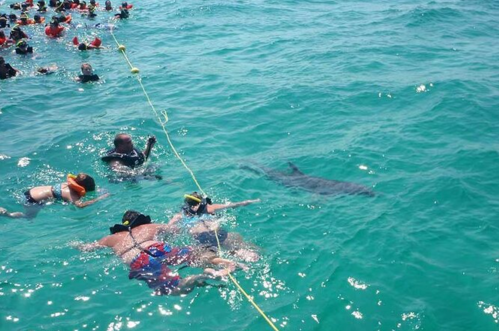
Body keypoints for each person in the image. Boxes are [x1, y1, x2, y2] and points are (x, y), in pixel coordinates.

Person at [76, 210, 238, 295]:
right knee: (196, 254)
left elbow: (88, 248)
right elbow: (176, 230)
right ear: (142, 220)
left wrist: (76, 244)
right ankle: (224, 262)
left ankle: (201, 276)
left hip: (136, 259)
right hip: (155, 247)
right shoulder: (149, 227)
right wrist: (173, 220)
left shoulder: (111, 238)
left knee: (175, 289)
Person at [168, 192, 261, 262]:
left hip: (202, 239)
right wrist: (251, 201)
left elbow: (168, 228)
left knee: (211, 258)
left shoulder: (180, 215)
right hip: (218, 233)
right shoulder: (209, 208)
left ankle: (226, 264)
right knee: (233, 248)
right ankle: (245, 254)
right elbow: (233, 205)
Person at [0, 173, 109, 219]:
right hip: (32, 200)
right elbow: (80, 205)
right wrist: (99, 198)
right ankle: (7, 214)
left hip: (32, 191)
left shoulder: (67, 184)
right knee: (28, 217)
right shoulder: (72, 194)